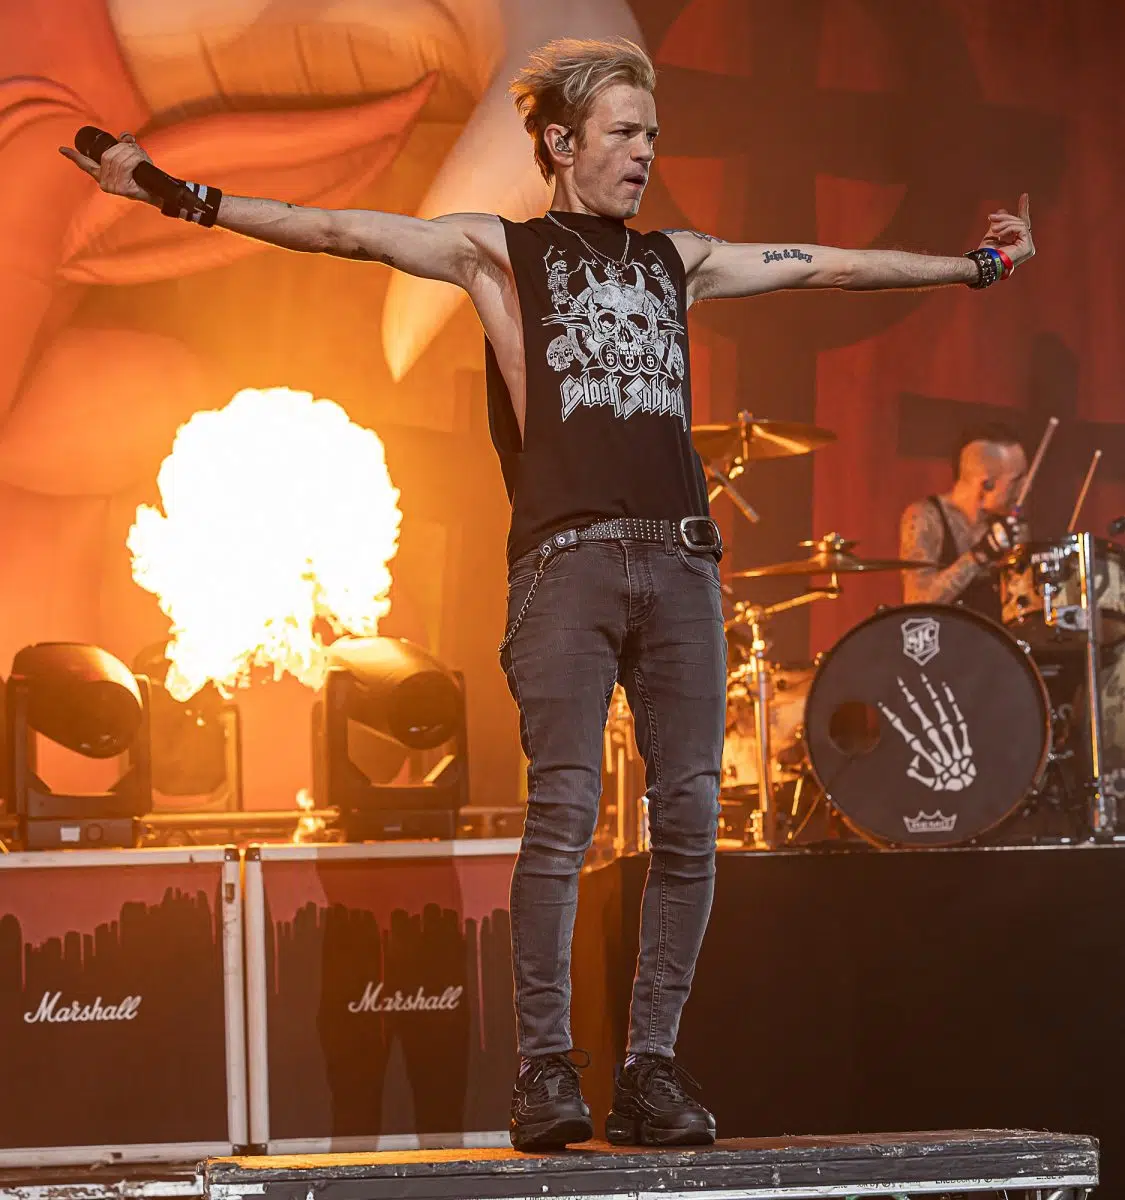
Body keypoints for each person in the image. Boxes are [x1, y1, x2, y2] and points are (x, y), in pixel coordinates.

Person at [62, 36, 1036, 1151]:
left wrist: (975, 268)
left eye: (652, 134)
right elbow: (338, 229)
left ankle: (650, 1071)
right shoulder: (497, 252)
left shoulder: (676, 258)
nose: (645, 152)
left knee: (689, 821)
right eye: (624, 132)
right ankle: (544, 1073)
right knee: (565, 813)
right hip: (567, 564)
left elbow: (826, 265)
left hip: (680, 561)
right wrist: (177, 195)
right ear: (561, 144)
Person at [899, 423, 1029, 619]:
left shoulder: (1011, 524)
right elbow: (916, 602)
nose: (1024, 489)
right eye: (1016, 481)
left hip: (993, 635)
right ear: (987, 485)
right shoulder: (925, 518)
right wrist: (980, 554)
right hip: (946, 636)